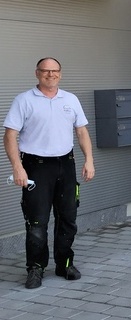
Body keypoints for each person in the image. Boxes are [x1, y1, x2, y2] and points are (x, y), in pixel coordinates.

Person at [3, 57, 95, 289]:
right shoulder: (24, 100)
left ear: (60, 74)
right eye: (45, 71)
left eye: (54, 71)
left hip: (66, 164)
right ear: (37, 73)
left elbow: (81, 132)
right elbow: (10, 135)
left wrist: (89, 160)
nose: (50, 74)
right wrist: (17, 167)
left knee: (68, 218)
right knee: (37, 221)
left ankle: (65, 264)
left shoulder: (70, 99)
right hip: (36, 167)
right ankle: (36, 268)